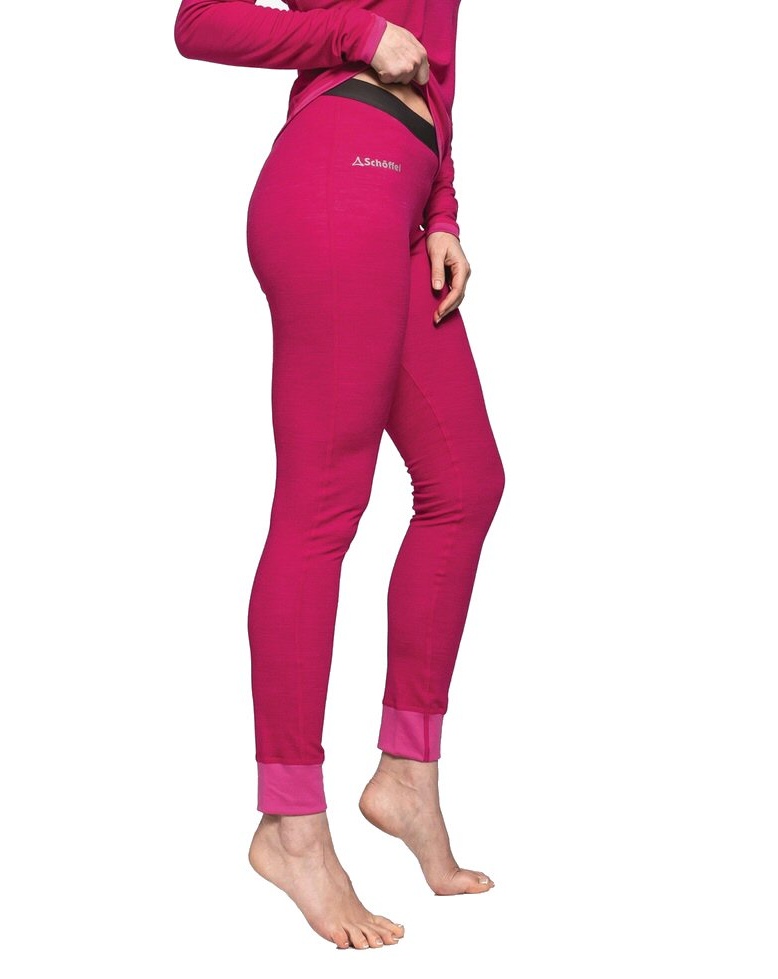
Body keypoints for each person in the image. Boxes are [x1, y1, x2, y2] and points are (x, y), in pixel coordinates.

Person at [173, 0, 505, 949]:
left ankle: (407, 777)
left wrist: (440, 209)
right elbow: (200, 23)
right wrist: (354, 37)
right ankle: (289, 826)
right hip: (336, 175)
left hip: (401, 196)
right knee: (322, 506)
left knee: (465, 484)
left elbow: (435, 54)